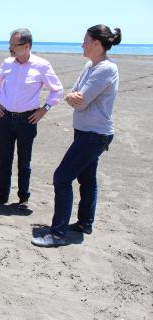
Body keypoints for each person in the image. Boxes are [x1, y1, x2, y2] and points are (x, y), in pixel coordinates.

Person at [32, 25, 122, 247]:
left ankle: (58, 234)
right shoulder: (90, 65)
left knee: (61, 177)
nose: (82, 44)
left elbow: (81, 102)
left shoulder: (106, 69)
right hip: (85, 132)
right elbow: (73, 93)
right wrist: (74, 97)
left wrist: (74, 98)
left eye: (85, 40)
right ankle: (84, 223)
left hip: (95, 134)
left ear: (96, 44)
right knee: (86, 178)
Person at [0, 28, 63, 209]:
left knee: (24, 161)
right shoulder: (7, 63)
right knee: (4, 160)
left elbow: (57, 90)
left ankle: (23, 198)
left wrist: (44, 109)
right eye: (10, 44)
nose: (10, 48)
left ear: (26, 46)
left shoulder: (42, 65)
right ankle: (1, 195)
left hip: (27, 120)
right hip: (5, 118)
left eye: (13, 45)